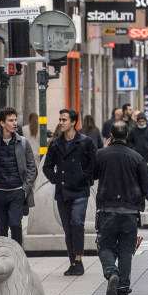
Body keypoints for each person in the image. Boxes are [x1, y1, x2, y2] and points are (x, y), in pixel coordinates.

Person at [93, 122, 148, 295]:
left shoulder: (101, 155)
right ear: (127, 135)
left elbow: (91, 175)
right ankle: (123, 292)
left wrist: (103, 149)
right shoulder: (137, 157)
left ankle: (111, 272)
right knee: (126, 251)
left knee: (105, 245)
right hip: (130, 211)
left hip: (107, 209)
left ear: (111, 135)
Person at [42, 108, 98, 276]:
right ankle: (72, 261)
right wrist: (56, 179)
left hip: (80, 190)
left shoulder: (85, 142)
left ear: (74, 122)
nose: (61, 122)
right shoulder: (55, 143)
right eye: (60, 119)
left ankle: (79, 260)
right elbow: (47, 166)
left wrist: (85, 178)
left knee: (77, 222)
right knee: (68, 228)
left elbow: (94, 164)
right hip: (63, 190)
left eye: (64, 120)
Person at [0, 107, 37, 245]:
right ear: (2, 123)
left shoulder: (23, 142)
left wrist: (26, 189)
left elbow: (32, 167)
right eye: (11, 120)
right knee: (1, 229)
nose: (15, 123)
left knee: (16, 224)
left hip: (17, 192)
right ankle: (3, 256)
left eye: (15, 120)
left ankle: (17, 256)